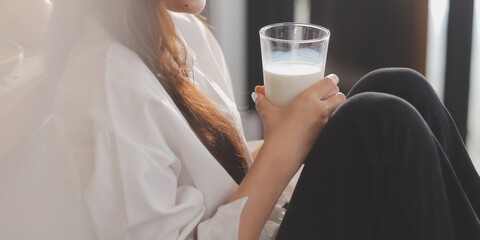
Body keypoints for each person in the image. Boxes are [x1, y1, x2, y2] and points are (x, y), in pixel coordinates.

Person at [47, 0, 480, 239]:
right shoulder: (111, 86)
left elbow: (215, 184)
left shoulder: (181, 33)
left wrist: (289, 137)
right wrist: (282, 149)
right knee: (377, 124)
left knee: (399, 86)